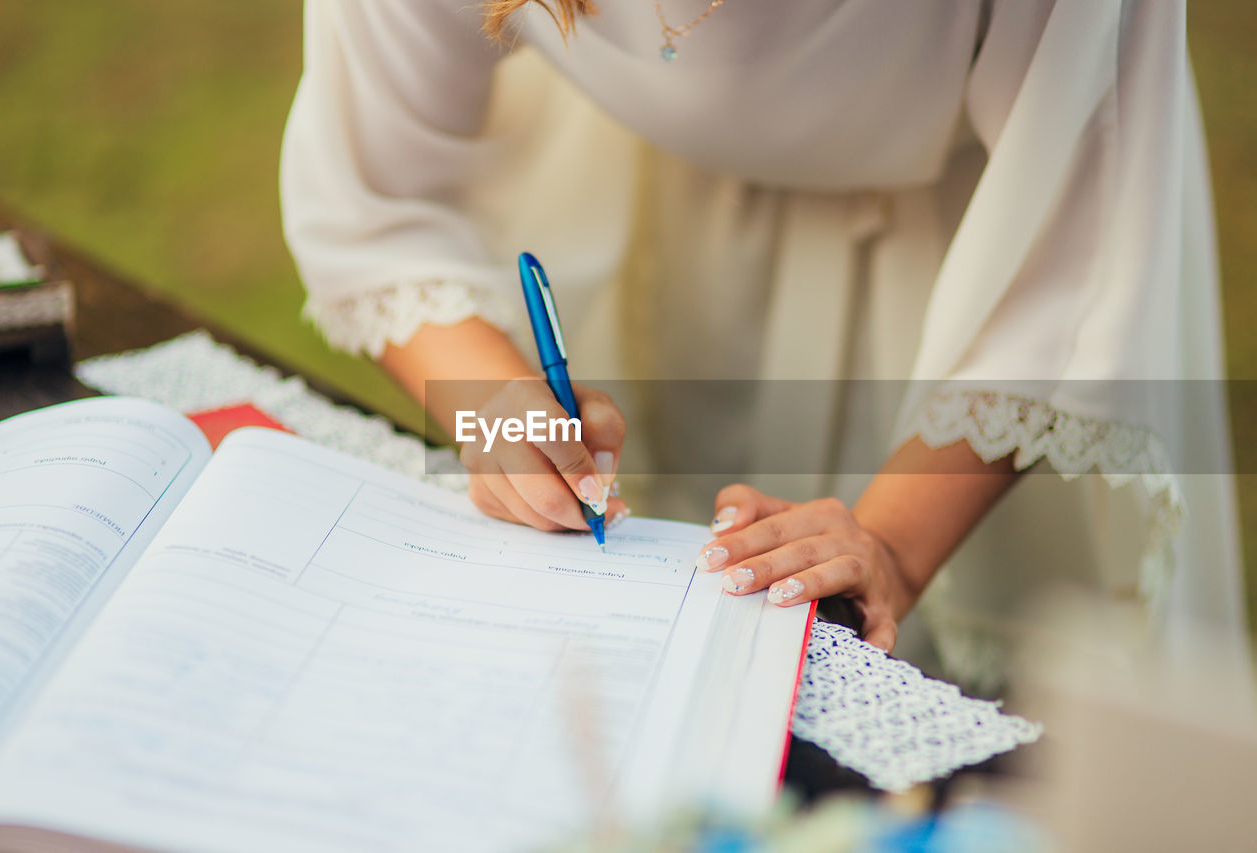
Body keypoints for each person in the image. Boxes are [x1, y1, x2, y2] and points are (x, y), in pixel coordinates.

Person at [280, 0, 1250, 694]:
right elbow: (377, 195)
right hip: (662, 227)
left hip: (985, 263)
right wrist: (499, 406)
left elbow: (1072, 254)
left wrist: (890, 550)